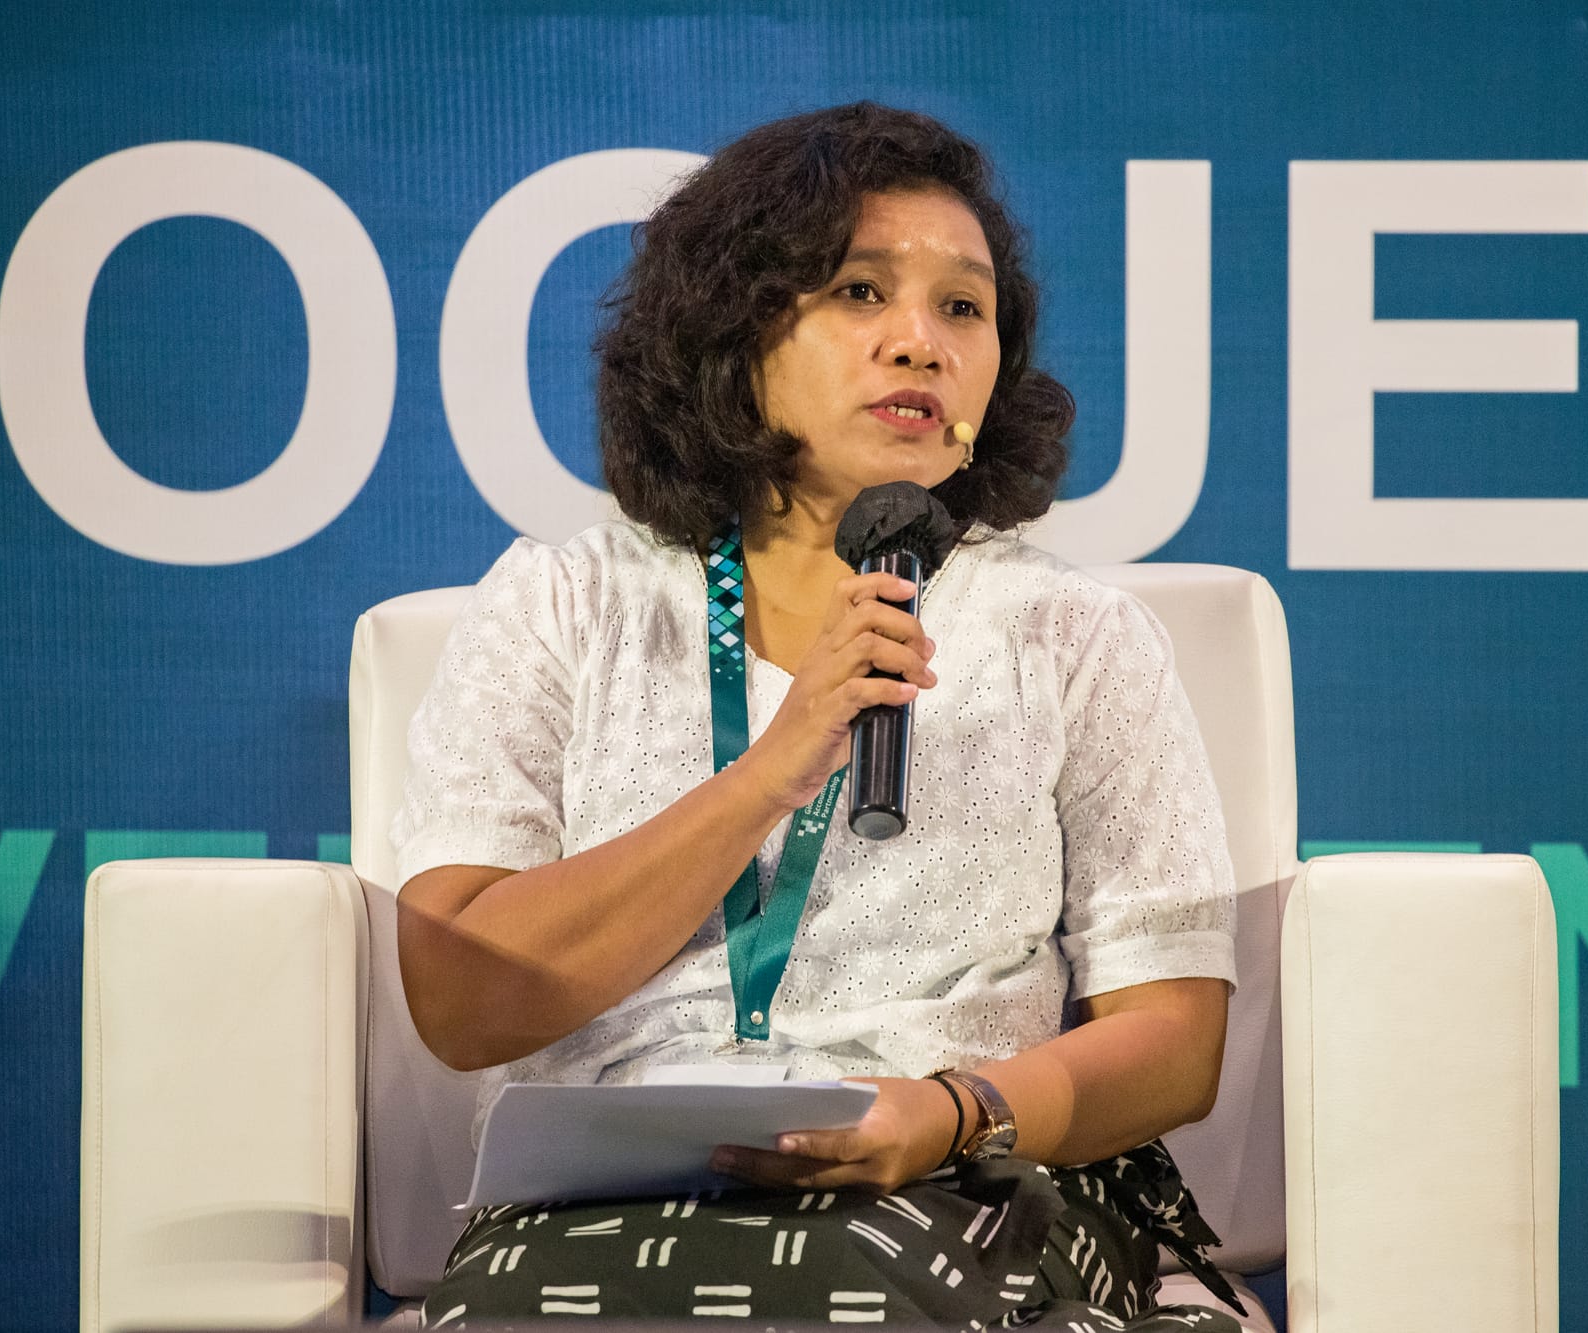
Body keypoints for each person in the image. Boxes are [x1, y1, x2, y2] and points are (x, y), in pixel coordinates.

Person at [392, 102, 1243, 1329]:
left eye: (963, 308)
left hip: (951, 1179)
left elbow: (1171, 1035)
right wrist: (774, 765)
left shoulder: (1071, 635)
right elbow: (462, 1000)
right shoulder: (564, 603)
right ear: (732, 332)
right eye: (858, 292)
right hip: (599, 1205)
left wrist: (951, 1111)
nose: (918, 343)